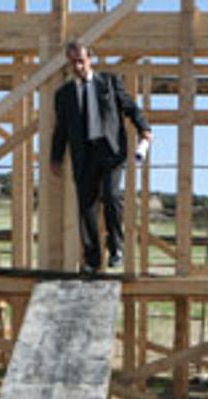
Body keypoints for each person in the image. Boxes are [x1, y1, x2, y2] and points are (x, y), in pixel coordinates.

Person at [50, 40, 152, 274]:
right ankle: (92, 259)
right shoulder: (64, 95)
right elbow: (61, 129)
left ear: (90, 59)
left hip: (110, 151)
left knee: (111, 195)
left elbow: (130, 107)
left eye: (81, 61)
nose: (77, 67)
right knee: (86, 206)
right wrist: (56, 158)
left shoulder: (109, 82)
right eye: (73, 63)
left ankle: (116, 248)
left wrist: (143, 128)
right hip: (83, 154)